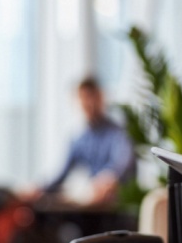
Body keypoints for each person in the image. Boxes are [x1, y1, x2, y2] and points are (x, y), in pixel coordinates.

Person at [26, 76, 135, 206]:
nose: (87, 103)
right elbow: (61, 173)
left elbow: (123, 163)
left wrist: (108, 178)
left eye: (91, 97)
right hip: (93, 204)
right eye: (82, 98)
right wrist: (39, 187)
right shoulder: (79, 139)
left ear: (101, 97)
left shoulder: (118, 134)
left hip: (117, 203)